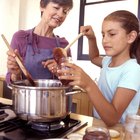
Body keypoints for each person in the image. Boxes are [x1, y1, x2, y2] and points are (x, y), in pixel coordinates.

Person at [57, 10, 140, 126]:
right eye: (103, 35)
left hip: (120, 131)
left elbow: (112, 119)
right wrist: (92, 38)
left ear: (131, 37)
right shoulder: (107, 61)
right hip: (100, 125)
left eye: (112, 34)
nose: (105, 40)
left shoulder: (133, 70)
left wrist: (88, 84)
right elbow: (94, 57)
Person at [6, 0, 73, 84]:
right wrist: (16, 74)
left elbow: (69, 85)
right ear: (42, 6)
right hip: (26, 96)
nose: (60, 15)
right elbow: (12, 82)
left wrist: (59, 73)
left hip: (54, 97)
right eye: (56, 8)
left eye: (65, 11)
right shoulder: (20, 38)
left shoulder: (64, 45)